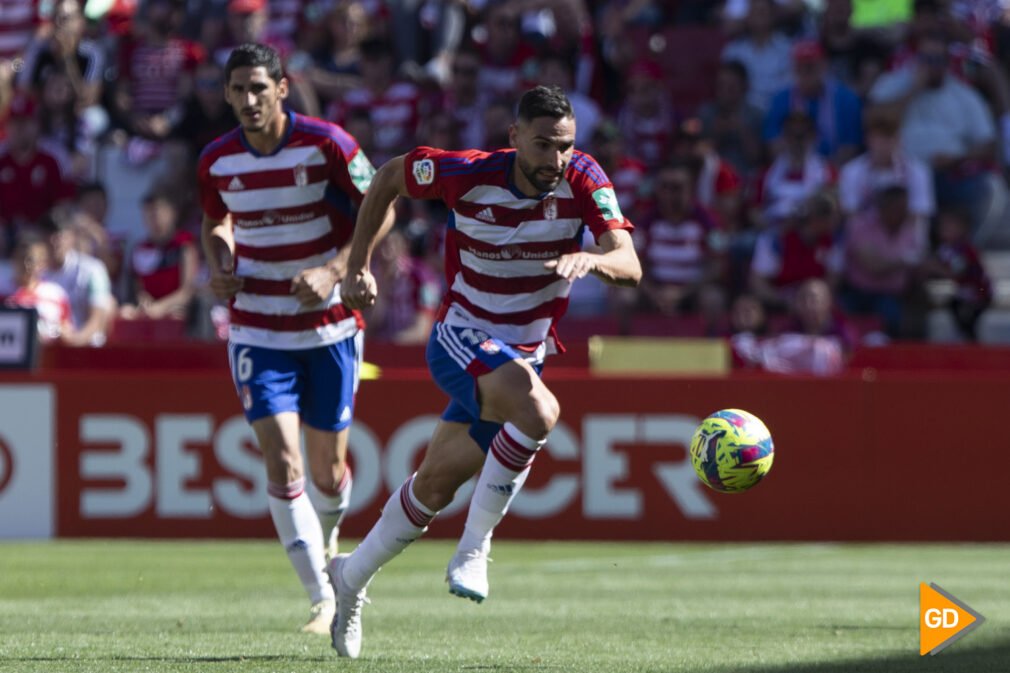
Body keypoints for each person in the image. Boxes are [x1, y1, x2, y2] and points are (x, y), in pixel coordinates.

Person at [331, 85, 642, 659]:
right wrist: (357, 266)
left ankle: (349, 579)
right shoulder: (464, 174)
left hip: (522, 355)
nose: (555, 160)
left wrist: (595, 260)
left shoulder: (583, 179)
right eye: (543, 144)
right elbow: (387, 179)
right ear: (515, 138)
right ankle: (475, 547)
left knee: (434, 485)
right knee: (541, 410)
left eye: (565, 147)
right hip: (462, 336)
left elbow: (630, 262)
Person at [196, 43, 381, 635]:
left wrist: (333, 271)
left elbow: (382, 209)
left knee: (328, 473)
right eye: (238, 90)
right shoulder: (217, 160)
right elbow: (214, 219)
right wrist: (219, 257)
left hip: (327, 326)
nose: (248, 101)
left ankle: (328, 547)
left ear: (282, 88)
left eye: (259, 88)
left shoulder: (327, 142)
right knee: (281, 458)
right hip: (256, 324)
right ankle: (322, 597)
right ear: (226, 95)